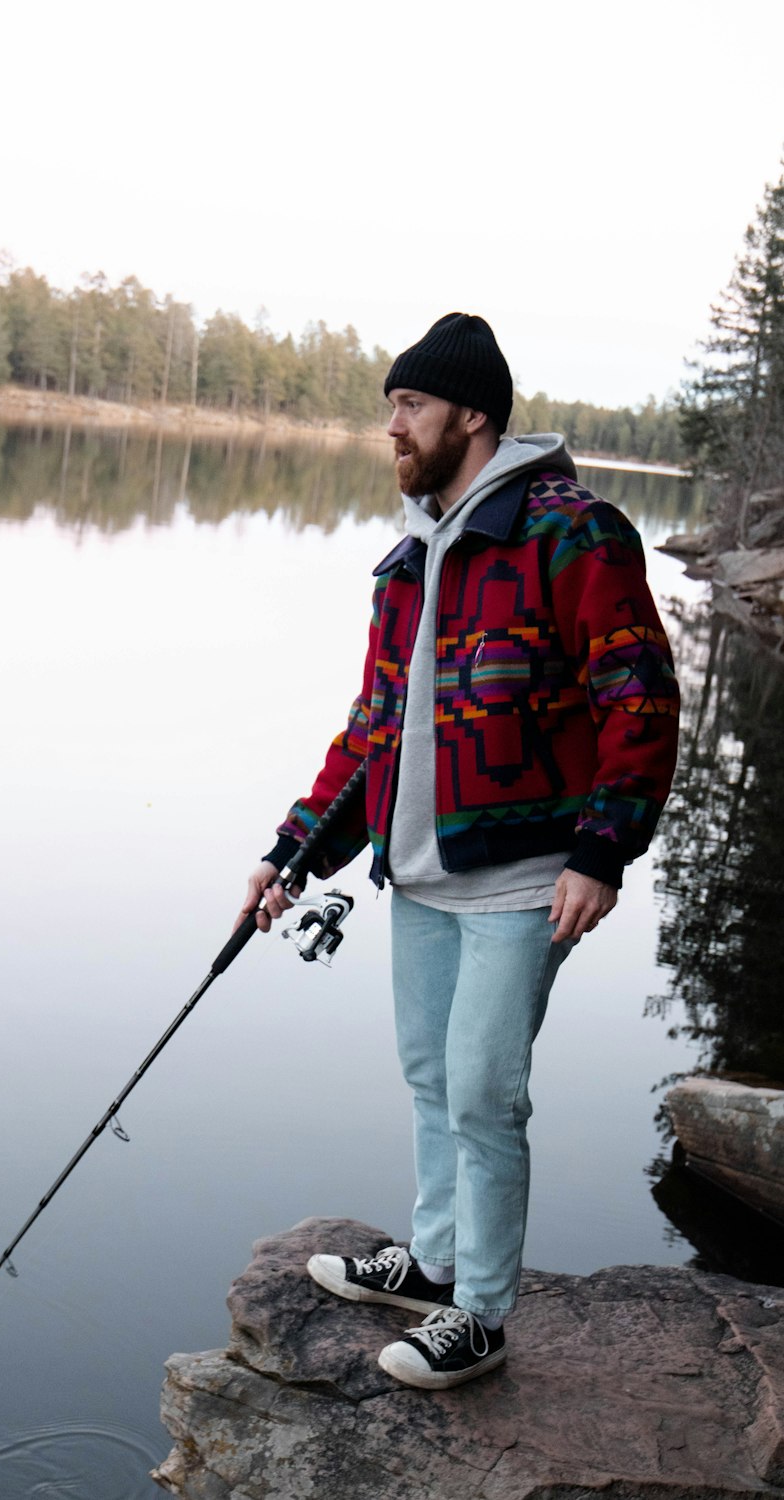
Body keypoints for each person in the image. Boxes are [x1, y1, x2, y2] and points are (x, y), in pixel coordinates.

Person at [236, 312, 679, 1391]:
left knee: (484, 1092)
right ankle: (433, 1264)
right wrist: (292, 853)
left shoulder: (574, 532)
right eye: (391, 404)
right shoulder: (409, 562)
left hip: (529, 878)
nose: (392, 424)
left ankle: (478, 1316)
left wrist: (601, 851)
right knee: (431, 1075)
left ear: (471, 416)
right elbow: (370, 733)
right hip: (422, 872)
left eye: (410, 405)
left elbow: (641, 696)